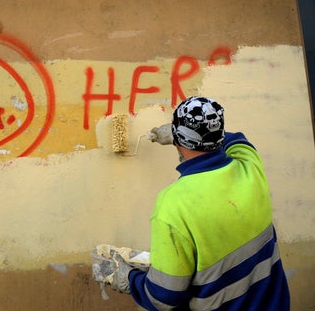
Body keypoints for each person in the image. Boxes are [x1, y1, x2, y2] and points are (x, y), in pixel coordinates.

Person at [104, 96, 290, 310]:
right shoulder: (249, 165)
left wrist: (128, 279)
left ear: (178, 141)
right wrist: (186, 133)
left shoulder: (173, 205)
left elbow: (164, 298)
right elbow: (236, 139)